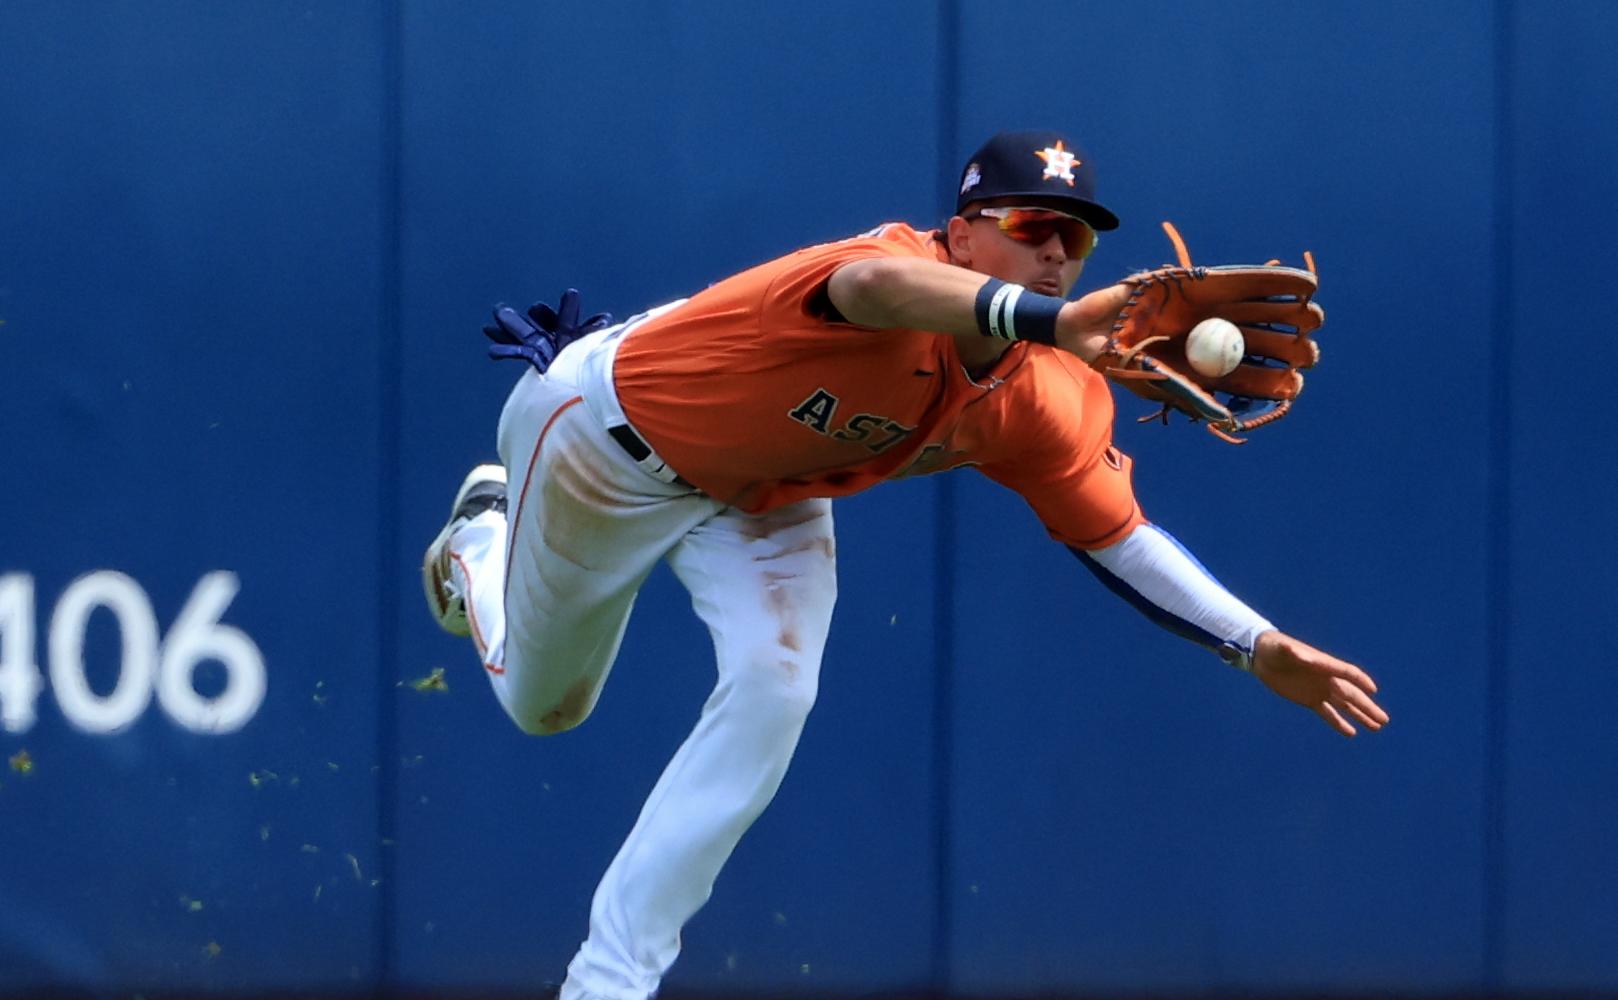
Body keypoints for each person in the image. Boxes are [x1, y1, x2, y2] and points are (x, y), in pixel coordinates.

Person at [421, 130, 1389, 1000]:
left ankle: (608, 981)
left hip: (769, 489)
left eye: (1076, 239)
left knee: (776, 685)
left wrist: (1250, 643)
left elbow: (1117, 537)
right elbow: (870, 293)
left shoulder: (1042, 398)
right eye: (1031, 224)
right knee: (545, 707)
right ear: (962, 235)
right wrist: (1047, 320)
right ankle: (481, 538)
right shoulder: (888, 270)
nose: (1054, 252)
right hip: (609, 441)